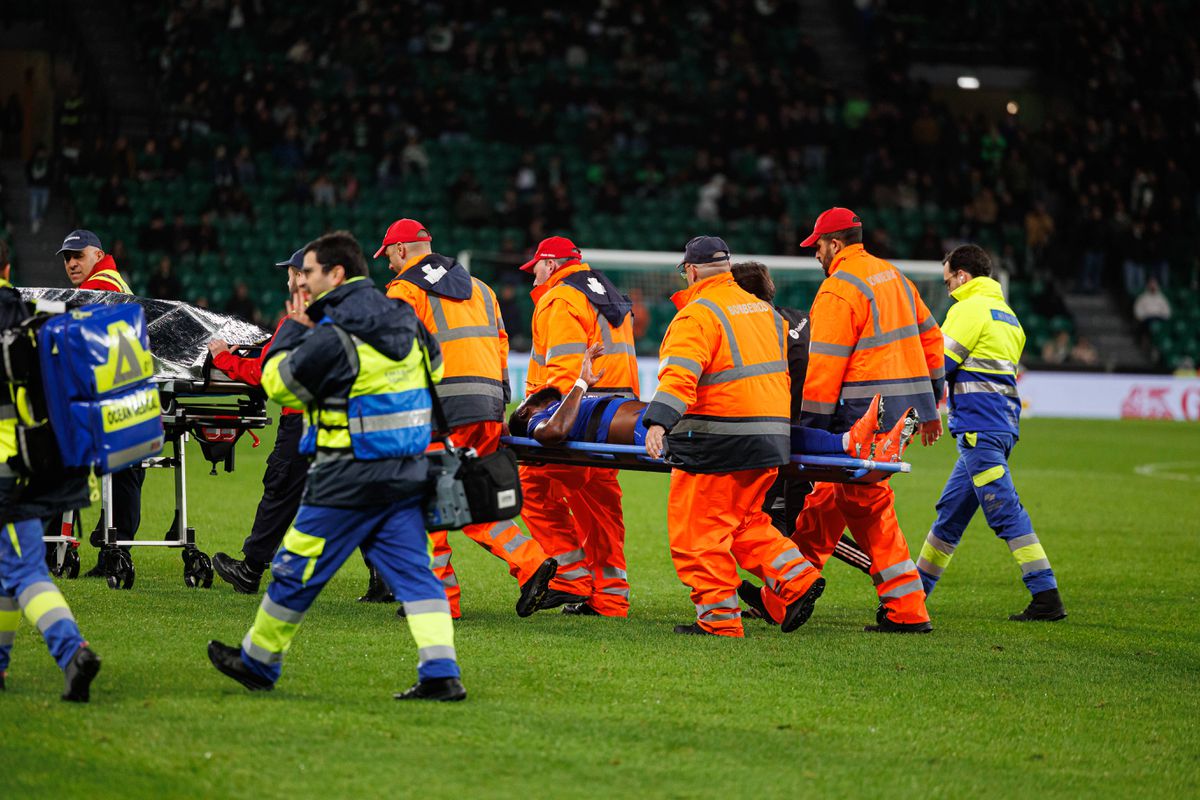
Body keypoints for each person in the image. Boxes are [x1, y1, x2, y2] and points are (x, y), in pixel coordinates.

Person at [207, 230, 465, 701]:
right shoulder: (404, 316)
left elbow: (279, 387)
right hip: (405, 471)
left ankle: (258, 662)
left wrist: (291, 329)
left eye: (308, 271)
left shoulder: (334, 332)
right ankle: (441, 672)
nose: (301, 280)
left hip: (345, 476)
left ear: (336, 274)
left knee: (293, 568)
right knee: (416, 575)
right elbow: (437, 366)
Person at [635, 236, 825, 637]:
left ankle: (719, 619)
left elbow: (680, 376)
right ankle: (798, 579)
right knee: (744, 524)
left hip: (718, 441)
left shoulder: (697, 315)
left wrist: (658, 422)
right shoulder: (767, 313)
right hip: (770, 440)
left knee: (695, 534)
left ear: (690, 271)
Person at [376, 218, 557, 619]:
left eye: (389, 254)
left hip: (438, 412)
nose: (388, 264)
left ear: (403, 251)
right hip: (487, 408)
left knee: (426, 503)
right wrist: (501, 404)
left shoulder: (405, 289)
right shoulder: (483, 289)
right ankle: (530, 562)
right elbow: (502, 347)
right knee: (472, 499)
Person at [792, 208, 945, 633]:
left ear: (835, 244)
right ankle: (785, 589)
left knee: (866, 506)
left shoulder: (839, 289)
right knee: (827, 499)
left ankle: (907, 609)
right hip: (906, 413)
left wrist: (813, 432)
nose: (816, 254)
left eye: (818, 246)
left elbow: (824, 368)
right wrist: (932, 404)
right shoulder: (892, 276)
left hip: (865, 418)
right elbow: (932, 336)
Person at [918, 245, 1066, 621]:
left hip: (978, 430)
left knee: (1004, 510)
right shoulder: (1009, 317)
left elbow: (938, 368)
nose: (948, 286)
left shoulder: (967, 310)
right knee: (950, 515)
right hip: (1000, 426)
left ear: (964, 276)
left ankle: (1046, 595)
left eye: (949, 278)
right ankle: (915, 595)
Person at [511, 342, 911, 459]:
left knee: (757, 425)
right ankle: (849, 443)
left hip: (666, 420)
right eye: (533, 398)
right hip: (657, 434)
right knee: (755, 431)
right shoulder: (540, 420)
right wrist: (580, 383)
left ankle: (869, 445)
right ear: (526, 411)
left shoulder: (568, 402)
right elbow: (555, 434)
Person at [0, 240, 102, 701]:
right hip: (33, 465)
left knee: (25, 571)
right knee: (10, 569)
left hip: (4, 473)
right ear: (7, 267)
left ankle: (72, 651)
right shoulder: (36, 315)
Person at [520, 235, 639, 617]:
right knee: (600, 505)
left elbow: (563, 373)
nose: (533, 276)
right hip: (614, 418)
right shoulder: (606, 293)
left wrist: (545, 418)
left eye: (536, 267)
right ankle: (610, 597)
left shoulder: (560, 299)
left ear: (551, 264)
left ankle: (569, 575)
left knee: (531, 486)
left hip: (579, 416)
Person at [209, 249, 311, 594]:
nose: (287, 279)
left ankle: (249, 570)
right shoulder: (343, 311)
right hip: (345, 422)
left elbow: (264, 374)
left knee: (279, 493)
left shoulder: (298, 317)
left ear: (300, 276)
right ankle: (383, 579)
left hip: (302, 423)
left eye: (291, 272)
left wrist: (224, 357)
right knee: (355, 499)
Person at [56, 230, 143, 577]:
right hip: (125, 395)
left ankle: (93, 548)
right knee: (124, 474)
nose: (72, 263)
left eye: (78, 255)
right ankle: (113, 549)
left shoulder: (101, 286)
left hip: (111, 396)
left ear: (98, 254)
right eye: (67, 258)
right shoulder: (111, 282)